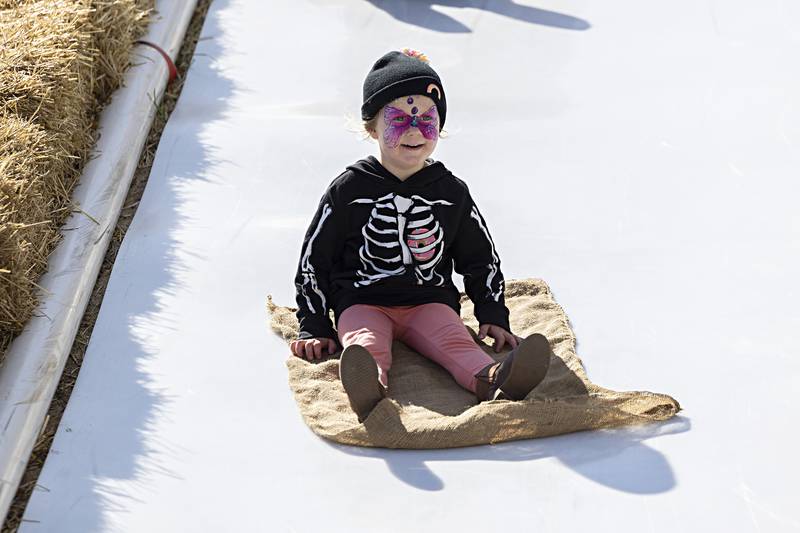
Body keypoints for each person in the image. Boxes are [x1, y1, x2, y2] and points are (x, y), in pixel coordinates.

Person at [290, 48, 552, 422]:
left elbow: (481, 256)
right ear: (371, 127)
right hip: (362, 300)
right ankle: (368, 388)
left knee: (456, 341)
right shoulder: (348, 189)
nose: (415, 131)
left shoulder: (450, 191)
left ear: (440, 127)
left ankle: (495, 380)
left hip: (429, 301)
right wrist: (314, 323)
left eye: (427, 120)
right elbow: (314, 260)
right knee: (365, 345)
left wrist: (492, 311)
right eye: (398, 119)